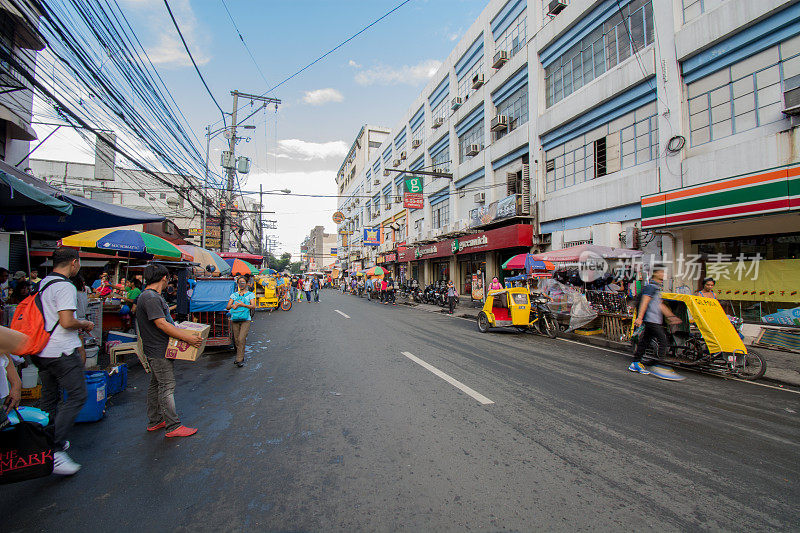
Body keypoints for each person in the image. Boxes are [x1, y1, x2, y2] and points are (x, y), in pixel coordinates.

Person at [31, 247, 95, 475]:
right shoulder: (65, 286)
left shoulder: (41, 284)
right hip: (61, 351)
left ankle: (44, 442)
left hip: (41, 350)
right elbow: (67, 321)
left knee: (49, 397)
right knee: (77, 395)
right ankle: (54, 449)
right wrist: (85, 324)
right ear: (74, 263)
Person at [136, 263, 202, 438]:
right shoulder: (151, 298)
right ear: (164, 278)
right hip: (158, 349)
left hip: (155, 348)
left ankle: (155, 420)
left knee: (156, 384)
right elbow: (161, 323)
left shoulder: (150, 296)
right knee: (167, 386)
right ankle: (173, 426)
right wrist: (186, 337)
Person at [630, 267, 684, 381]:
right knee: (662, 340)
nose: (663, 274)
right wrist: (639, 318)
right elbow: (645, 301)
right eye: (662, 272)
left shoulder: (656, 288)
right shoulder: (651, 287)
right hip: (651, 319)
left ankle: (635, 363)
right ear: (656, 273)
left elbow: (660, 305)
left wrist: (671, 317)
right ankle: (659, 366)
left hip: (654, 320)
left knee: (645, 341)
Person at [226, 275, 255, 367]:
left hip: (246, 319)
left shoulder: (250, 294)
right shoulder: (234, 295)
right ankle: (240, 356)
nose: (241, 284)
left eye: (243, 282)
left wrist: (243, 305)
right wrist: (232, 306)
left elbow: (253, 306)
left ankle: (239, 358)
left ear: (247, 284)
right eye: (240, 282)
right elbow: (228, 306)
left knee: (241, 338)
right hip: (235, 318)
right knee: (236, 339)